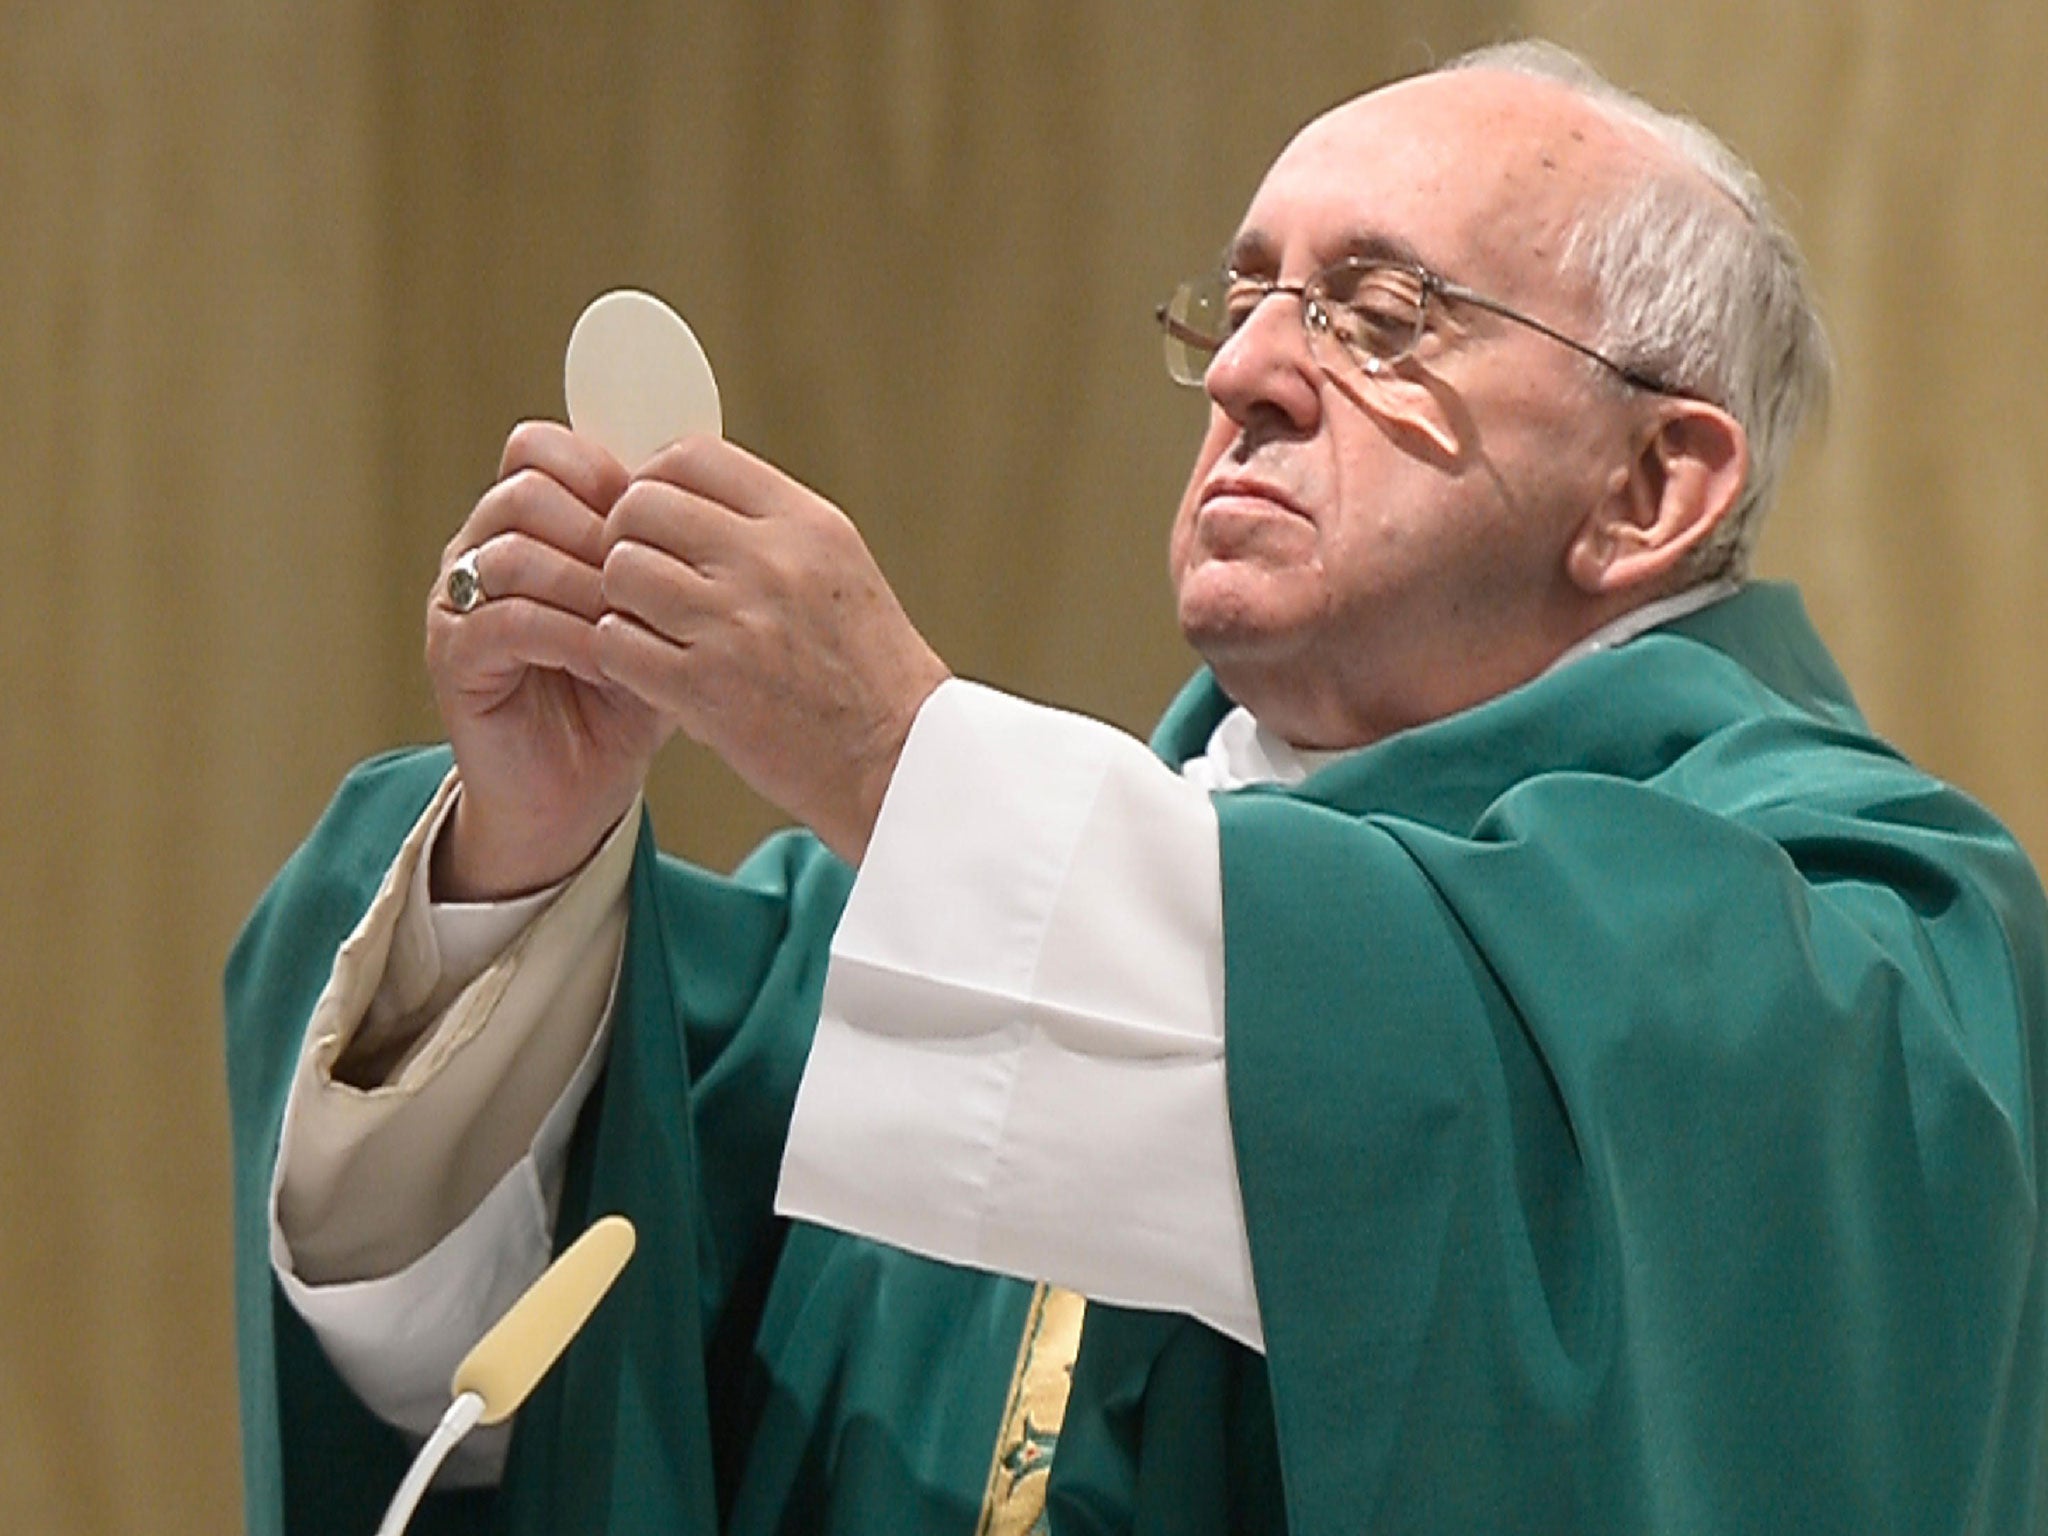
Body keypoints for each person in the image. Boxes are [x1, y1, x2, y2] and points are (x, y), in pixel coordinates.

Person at [226, 38, 2048, 1536]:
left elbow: (1436, 1071)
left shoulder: (1862, 956)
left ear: (1651, 488)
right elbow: (490, 1372)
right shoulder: (888, 947)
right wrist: (527, 871)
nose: (1248, 371)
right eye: (1244, 297)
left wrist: (883, 748)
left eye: (1383, 315)